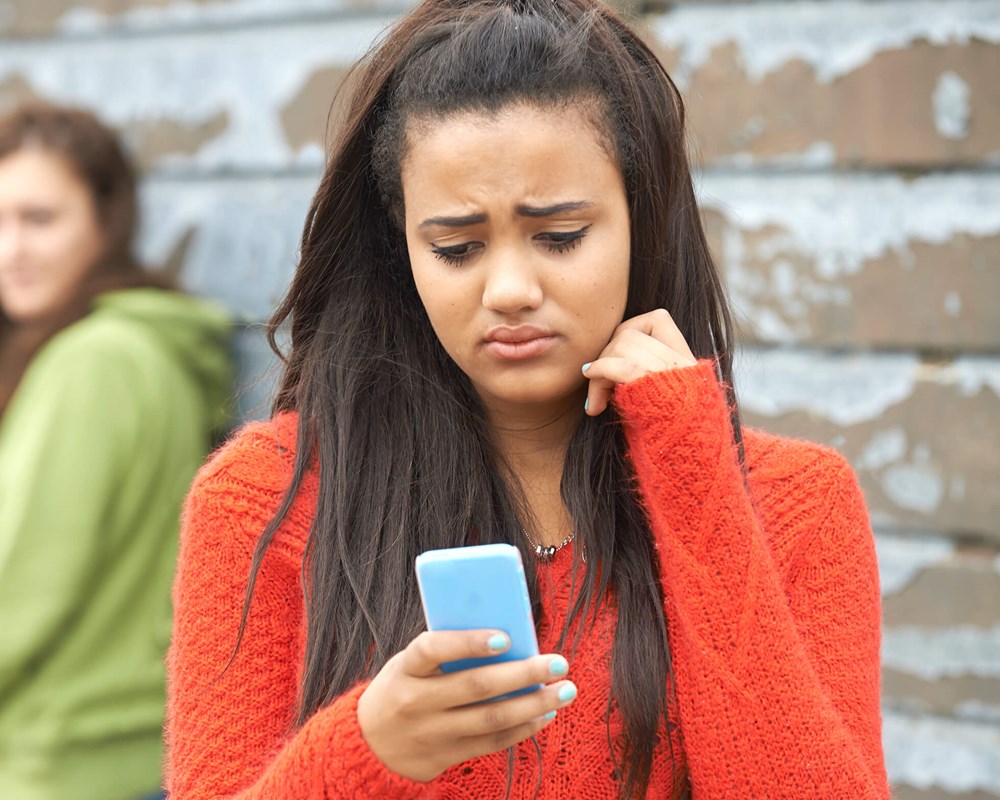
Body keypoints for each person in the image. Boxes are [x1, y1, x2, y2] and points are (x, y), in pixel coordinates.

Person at [165, 0, 891, 797]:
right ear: (400, 247)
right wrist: (368, 751)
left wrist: (697, 481)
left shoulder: (798, 506)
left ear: (642, 221)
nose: (509, 289)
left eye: (560, 235)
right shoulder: (265, 501)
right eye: (456, 248)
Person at [0, 105, 232, 800]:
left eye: (39, 219)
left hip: (66, 764)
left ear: (107, 223)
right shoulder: (142, 345)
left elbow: (19, 587)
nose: (11, 248)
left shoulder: (95, 361)